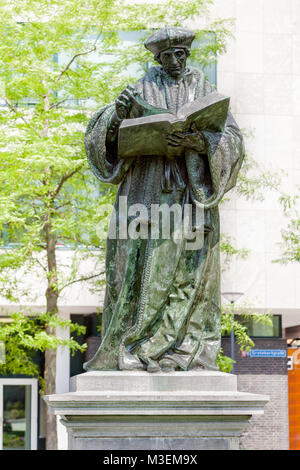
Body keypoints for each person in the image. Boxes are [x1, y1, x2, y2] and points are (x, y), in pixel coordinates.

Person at [84, 26, 245, 372]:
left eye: (180, 55)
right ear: (157, 58)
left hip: (189, 198)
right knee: (140, 270)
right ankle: (137, 345)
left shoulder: (204, 90)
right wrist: (116, 115)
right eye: (167, 56)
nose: (174, 61)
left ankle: (184, 349)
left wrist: (198, 143)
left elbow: (232, 140)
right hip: (148, 196)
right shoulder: (141, 89)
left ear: (188, 55)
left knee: (189, 273)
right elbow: (99, 139)